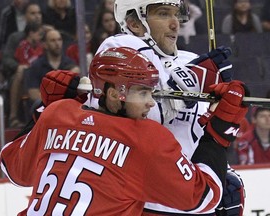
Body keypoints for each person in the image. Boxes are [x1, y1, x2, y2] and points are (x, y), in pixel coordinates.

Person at [0, 46, 249, 215]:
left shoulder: (59, 114)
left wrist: (43, 108)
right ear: (113, 93)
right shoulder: (146, 138)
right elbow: (204, 196)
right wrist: (220, 129)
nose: (151, 102)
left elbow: (12, 169)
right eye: (142, 91)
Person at [95, 0, 246, 215]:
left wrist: (222, 171)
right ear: (134, 23)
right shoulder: (117, 50)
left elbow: (199, 132)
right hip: (142, 203)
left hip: (191, 198)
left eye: (177, 15)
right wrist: (188, 82)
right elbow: (142, 120)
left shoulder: (193, 61)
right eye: (164, 14)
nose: (175, 24)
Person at [25, 29, 79, 105]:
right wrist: (53, 104)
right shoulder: (36, 65)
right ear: (45, 45)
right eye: (53, 41)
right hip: (44, 106)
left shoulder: (71, 64)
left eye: (59, 40)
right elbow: (33, 93)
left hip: (66, 106)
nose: (57, 43)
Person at [8, 22, 44, 128]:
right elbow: (24, 64)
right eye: (38, 34)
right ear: (31, 33)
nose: (40, 37)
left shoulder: (41, 46)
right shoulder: (23, 45)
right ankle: (13, 116)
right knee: (21, 71)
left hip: (39, 76)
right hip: (27, 77)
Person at [0, 0, 29, 87]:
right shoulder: (6, 14)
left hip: (31, 52)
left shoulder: (34, 11)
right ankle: (2, 85)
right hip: (9, 51)